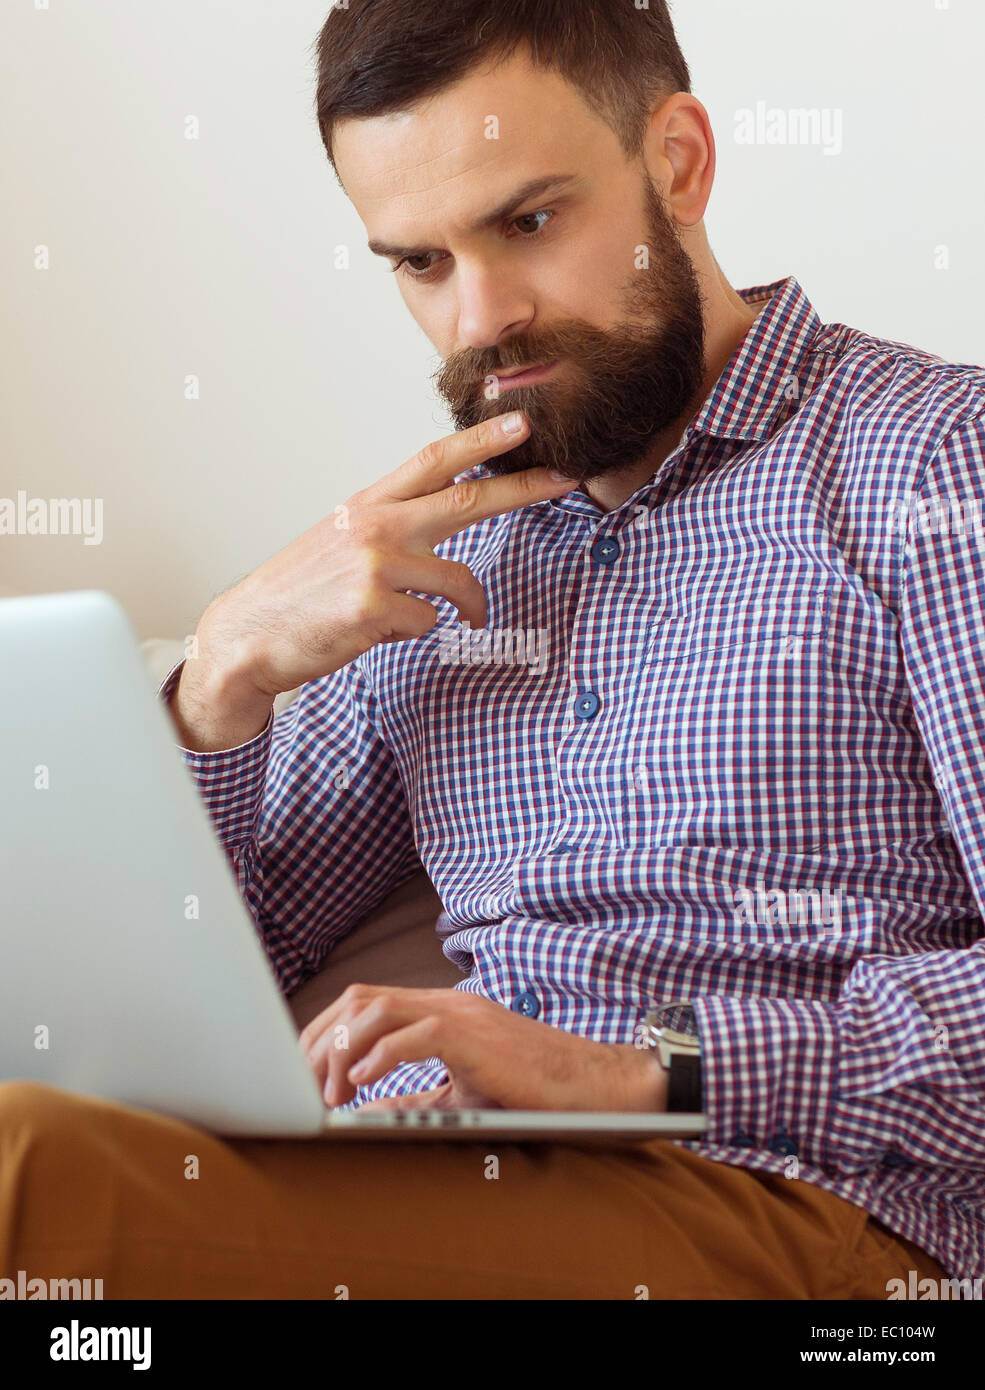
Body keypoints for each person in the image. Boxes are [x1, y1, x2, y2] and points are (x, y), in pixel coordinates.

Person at [3, 0, 980, 1297]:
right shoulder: (424, 556)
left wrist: (638, 1064)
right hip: (432, 1182)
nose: (479, 321)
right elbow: (199, 995)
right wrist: (221, 677)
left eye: (526, 222)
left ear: (677, 162)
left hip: (788, 1211)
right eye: (417, 262)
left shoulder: (933, 464)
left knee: (21, 1172)